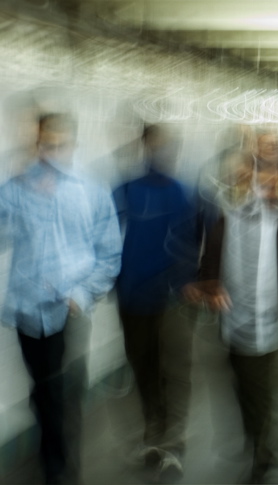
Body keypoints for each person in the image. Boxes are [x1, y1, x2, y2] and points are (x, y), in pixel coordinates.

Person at [0, 113, 122, 484]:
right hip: (26, 308)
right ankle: (50, 453)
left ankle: (60, 468)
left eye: (58, 144)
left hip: (67, 309)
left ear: (70, 144)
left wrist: (82, 294)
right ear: (36, 145)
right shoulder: (16, 188)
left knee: (60, 390)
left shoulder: (90, 190)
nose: (51, 152)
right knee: (42, 387)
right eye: (44, 144)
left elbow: (109, 251)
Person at [187, 130, 278, 484]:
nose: (270, 189)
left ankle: (266, 452)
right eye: (264, 181)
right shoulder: (230, 219)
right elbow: (210, 262)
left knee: (264, 390)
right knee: (244, 387)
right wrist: (208, 288)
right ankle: (259, 443)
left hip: (274, 321)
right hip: (234, 320)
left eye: (276, 182)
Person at [113, 124, 198, 480]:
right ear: (142, 147)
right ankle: (153, 431)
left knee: (173, 369)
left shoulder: (187, 194)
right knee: (143, 367)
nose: (159, 153)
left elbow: (198, 245)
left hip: (172, 299)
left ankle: (173, 441)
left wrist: (188, 284)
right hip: (132, 295)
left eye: (165, 146)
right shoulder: (124, 191)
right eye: (153, 146)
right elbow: (106, 239)